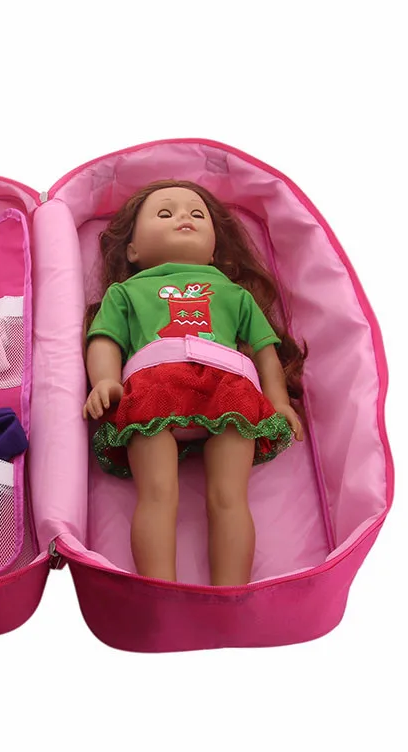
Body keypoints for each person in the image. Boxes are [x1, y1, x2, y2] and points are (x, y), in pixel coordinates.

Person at [82, 180, 307, 586]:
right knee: (156, 494)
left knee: (229, 497)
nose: (184, 217)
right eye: (165, 213)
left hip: (229, 390)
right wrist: (105, 380)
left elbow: (264, 351)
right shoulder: (125, 292)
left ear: (214, 251)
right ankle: (161, 590)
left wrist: (278, 401)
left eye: (197, 214)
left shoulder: (235, 294)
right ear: (133, 251)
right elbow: (105, 340)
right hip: (153, 389)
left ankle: (229, 594)